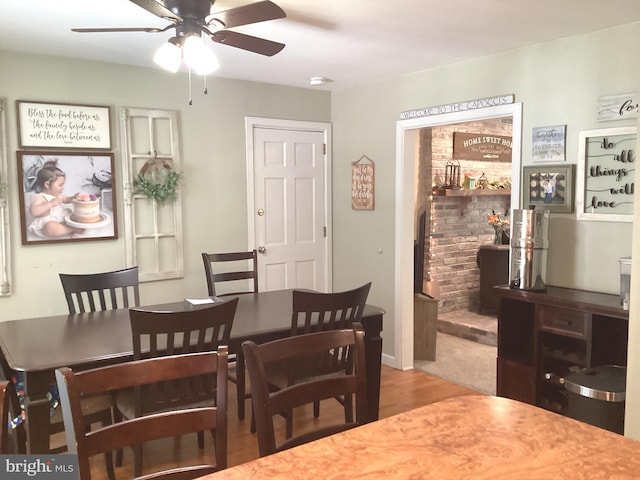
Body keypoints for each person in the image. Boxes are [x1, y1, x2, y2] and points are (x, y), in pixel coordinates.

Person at [28, 160, 83, 238]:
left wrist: (73, 197)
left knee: (69, 211)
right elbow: (34, 211)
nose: (63, 188)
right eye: (60, 185)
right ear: (47, 184)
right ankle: (71, 229)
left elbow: (66, 199)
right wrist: (50, 204)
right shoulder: (40, 197)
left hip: (60, 220)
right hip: (46, 224)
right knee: (50, 228)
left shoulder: (57, 195)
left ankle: (70, 226)